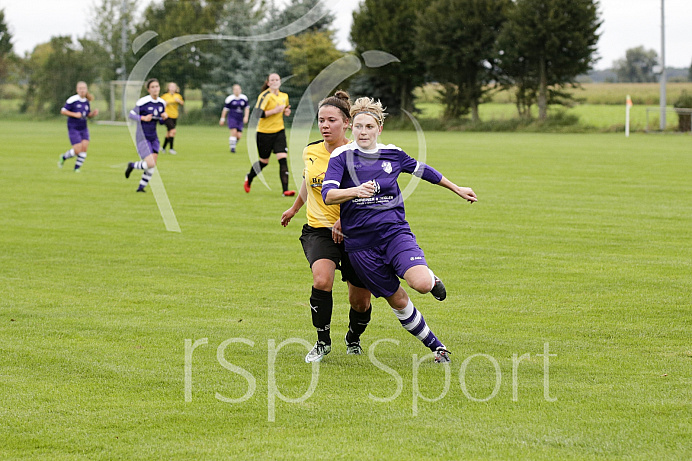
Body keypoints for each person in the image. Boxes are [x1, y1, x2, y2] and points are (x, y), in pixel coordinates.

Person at [322, 97, 478, 363]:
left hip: (394, 233)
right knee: (397, 299)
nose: (363, 131)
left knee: (422, 284)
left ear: (379, 128)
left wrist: (457, 188)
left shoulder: (393, 154)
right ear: (352, 129)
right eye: (358, 126)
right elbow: (328, 194)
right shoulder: (341, 157)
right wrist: (354, 191)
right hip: (360, 246)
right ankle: (437, 347)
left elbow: (423, 171)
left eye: (369, 126)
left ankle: (432, 277)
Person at [281, 91, 373, 363]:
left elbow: (370, 192)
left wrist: (344, 219)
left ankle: (353, 338)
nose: (324, 125)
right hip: (319, 229)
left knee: (360, 301)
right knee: (322, 279)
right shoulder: (310, 150)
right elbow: (308, 183)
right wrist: (295, 208)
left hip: (356, 231)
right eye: (321, 120)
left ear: (346, 123)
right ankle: (322, 342)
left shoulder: (359, 153)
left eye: (331, 120)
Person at [243, 73, 295, 196]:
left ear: (280, 81)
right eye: (272, 80)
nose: (275, 81)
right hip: (264, 133)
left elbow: (285, 109)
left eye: (277, 79)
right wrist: (274, 111)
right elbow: (257, 114)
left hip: (279, 131)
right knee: (264, 162)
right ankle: (249, 177)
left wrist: (286, 111)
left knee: (283, 159)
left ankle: (285, 190)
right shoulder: (264, 96)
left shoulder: (284, 96)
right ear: (268, 83)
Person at [125, 78, 168, 192]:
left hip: (154, 137)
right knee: (150, 163)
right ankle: (132, 165)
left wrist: (164, 118)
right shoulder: (143, 102)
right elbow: (131, 115)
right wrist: (143, 118)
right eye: (152, 87)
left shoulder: (161, 103)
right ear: (148, 90)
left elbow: (161, 122)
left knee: (152, 165)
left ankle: (141, 188)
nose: (155, 89)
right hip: (142, 136)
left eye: (157, 86)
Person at [58, 81, 99, 172]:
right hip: (73, 128)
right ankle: (64, 157)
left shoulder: (86, 101)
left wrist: (92, 114)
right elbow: (63, 111)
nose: (82, 90)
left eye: (84, 88)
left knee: (84, 148)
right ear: (77, 90)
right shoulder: (72, 100)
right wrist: (74, 114)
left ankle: (76, 169)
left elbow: (86, 114)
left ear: (86, 89)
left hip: (83, 128)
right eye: (80, 88)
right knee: (77, 150)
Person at [220, 84, 249, 153]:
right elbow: (225, 110)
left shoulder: (244, 98)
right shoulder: (229, 99)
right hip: (232, 118)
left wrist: (246, 117)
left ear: (240, 90)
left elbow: (247, 108)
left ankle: (232, 143)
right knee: (234, 132)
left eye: (238, 89)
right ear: (233, 91)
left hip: (240, 119)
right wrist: (222, 119)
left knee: (239, 136)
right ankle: (232, 149)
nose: (237, 91)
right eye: (235, 89)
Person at [161, 82, 184, 155]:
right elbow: (160, 104)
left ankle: (163, 148)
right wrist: (165, 103)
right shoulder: (165, 96)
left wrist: (179, 101)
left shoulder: (178, 96)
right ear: (168, 88)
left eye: (174, 87)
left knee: (169, 133)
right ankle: (171, 149)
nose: (172, 88)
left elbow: (182, 103)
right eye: (171, 86)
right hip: (167, 116)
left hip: (175, 116)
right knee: (173, 131)